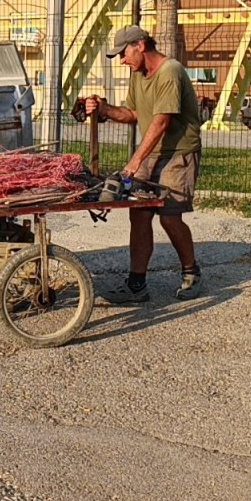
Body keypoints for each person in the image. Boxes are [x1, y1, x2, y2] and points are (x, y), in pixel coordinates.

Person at [84, 25, 203, 303]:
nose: (122, 60)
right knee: (138, 213)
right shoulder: (138, 74)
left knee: (170, 217)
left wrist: (133, 164)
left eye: (123, 53)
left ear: (140, 45)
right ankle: (137, 285)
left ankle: (192, 272)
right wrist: (104, 109)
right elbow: (133, 113)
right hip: (152, 152)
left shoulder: (170, 71)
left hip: (178, 153)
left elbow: (162, 121)